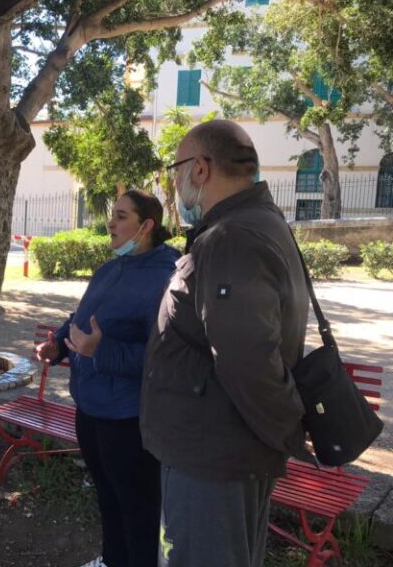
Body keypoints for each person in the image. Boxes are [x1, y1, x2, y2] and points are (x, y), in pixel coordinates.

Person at [140, 120, 309, 567]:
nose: (173, 184)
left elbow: (248, 360)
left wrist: (285, 428)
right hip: (221, 452)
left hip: (213, 459)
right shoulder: (253, 224)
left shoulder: (231, 238)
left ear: (199, 169)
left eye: (175, 170)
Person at [36, 190, 178, 567]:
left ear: (146, 226)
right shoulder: (109, 268)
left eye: (120, 216)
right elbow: (82, 316)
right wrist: (60, 345)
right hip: (91, 408)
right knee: (108, 498)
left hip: (128, 418)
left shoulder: (169, 276)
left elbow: (163, 356)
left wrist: (102, 351)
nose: (109, 223)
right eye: (111, 215)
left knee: (137, 509)